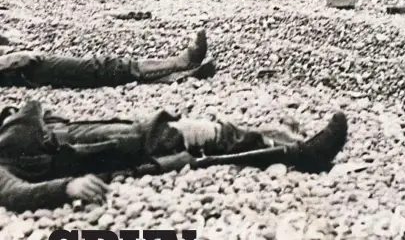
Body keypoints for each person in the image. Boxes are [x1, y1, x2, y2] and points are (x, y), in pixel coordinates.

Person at [0, 100, 348, 211]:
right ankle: (302, 154)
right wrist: (67, 188)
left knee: (210, 133)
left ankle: (284, 140)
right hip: (125, 152)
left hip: (122, 134)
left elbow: (33, 110)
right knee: (209, 139)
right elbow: (14, 194)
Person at [0, 29, 215, 88]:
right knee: (93, 68)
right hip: (13, 71)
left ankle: (178, 74)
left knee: (92, 70)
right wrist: (9, 60)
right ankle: (179, 64)